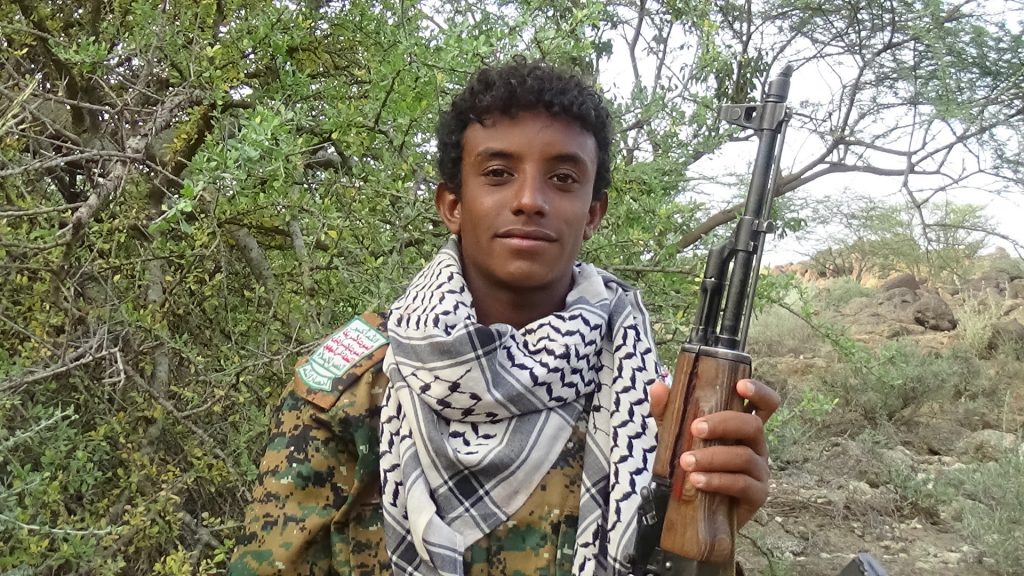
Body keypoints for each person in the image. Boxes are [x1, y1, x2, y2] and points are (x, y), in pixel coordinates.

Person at [228, 58, 779, 576]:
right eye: (497, 172)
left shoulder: (647, 404)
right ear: (452, 205)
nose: (530, 200)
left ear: (593, 213)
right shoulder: (354, 392)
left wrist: (705, 535)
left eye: (563, 179)